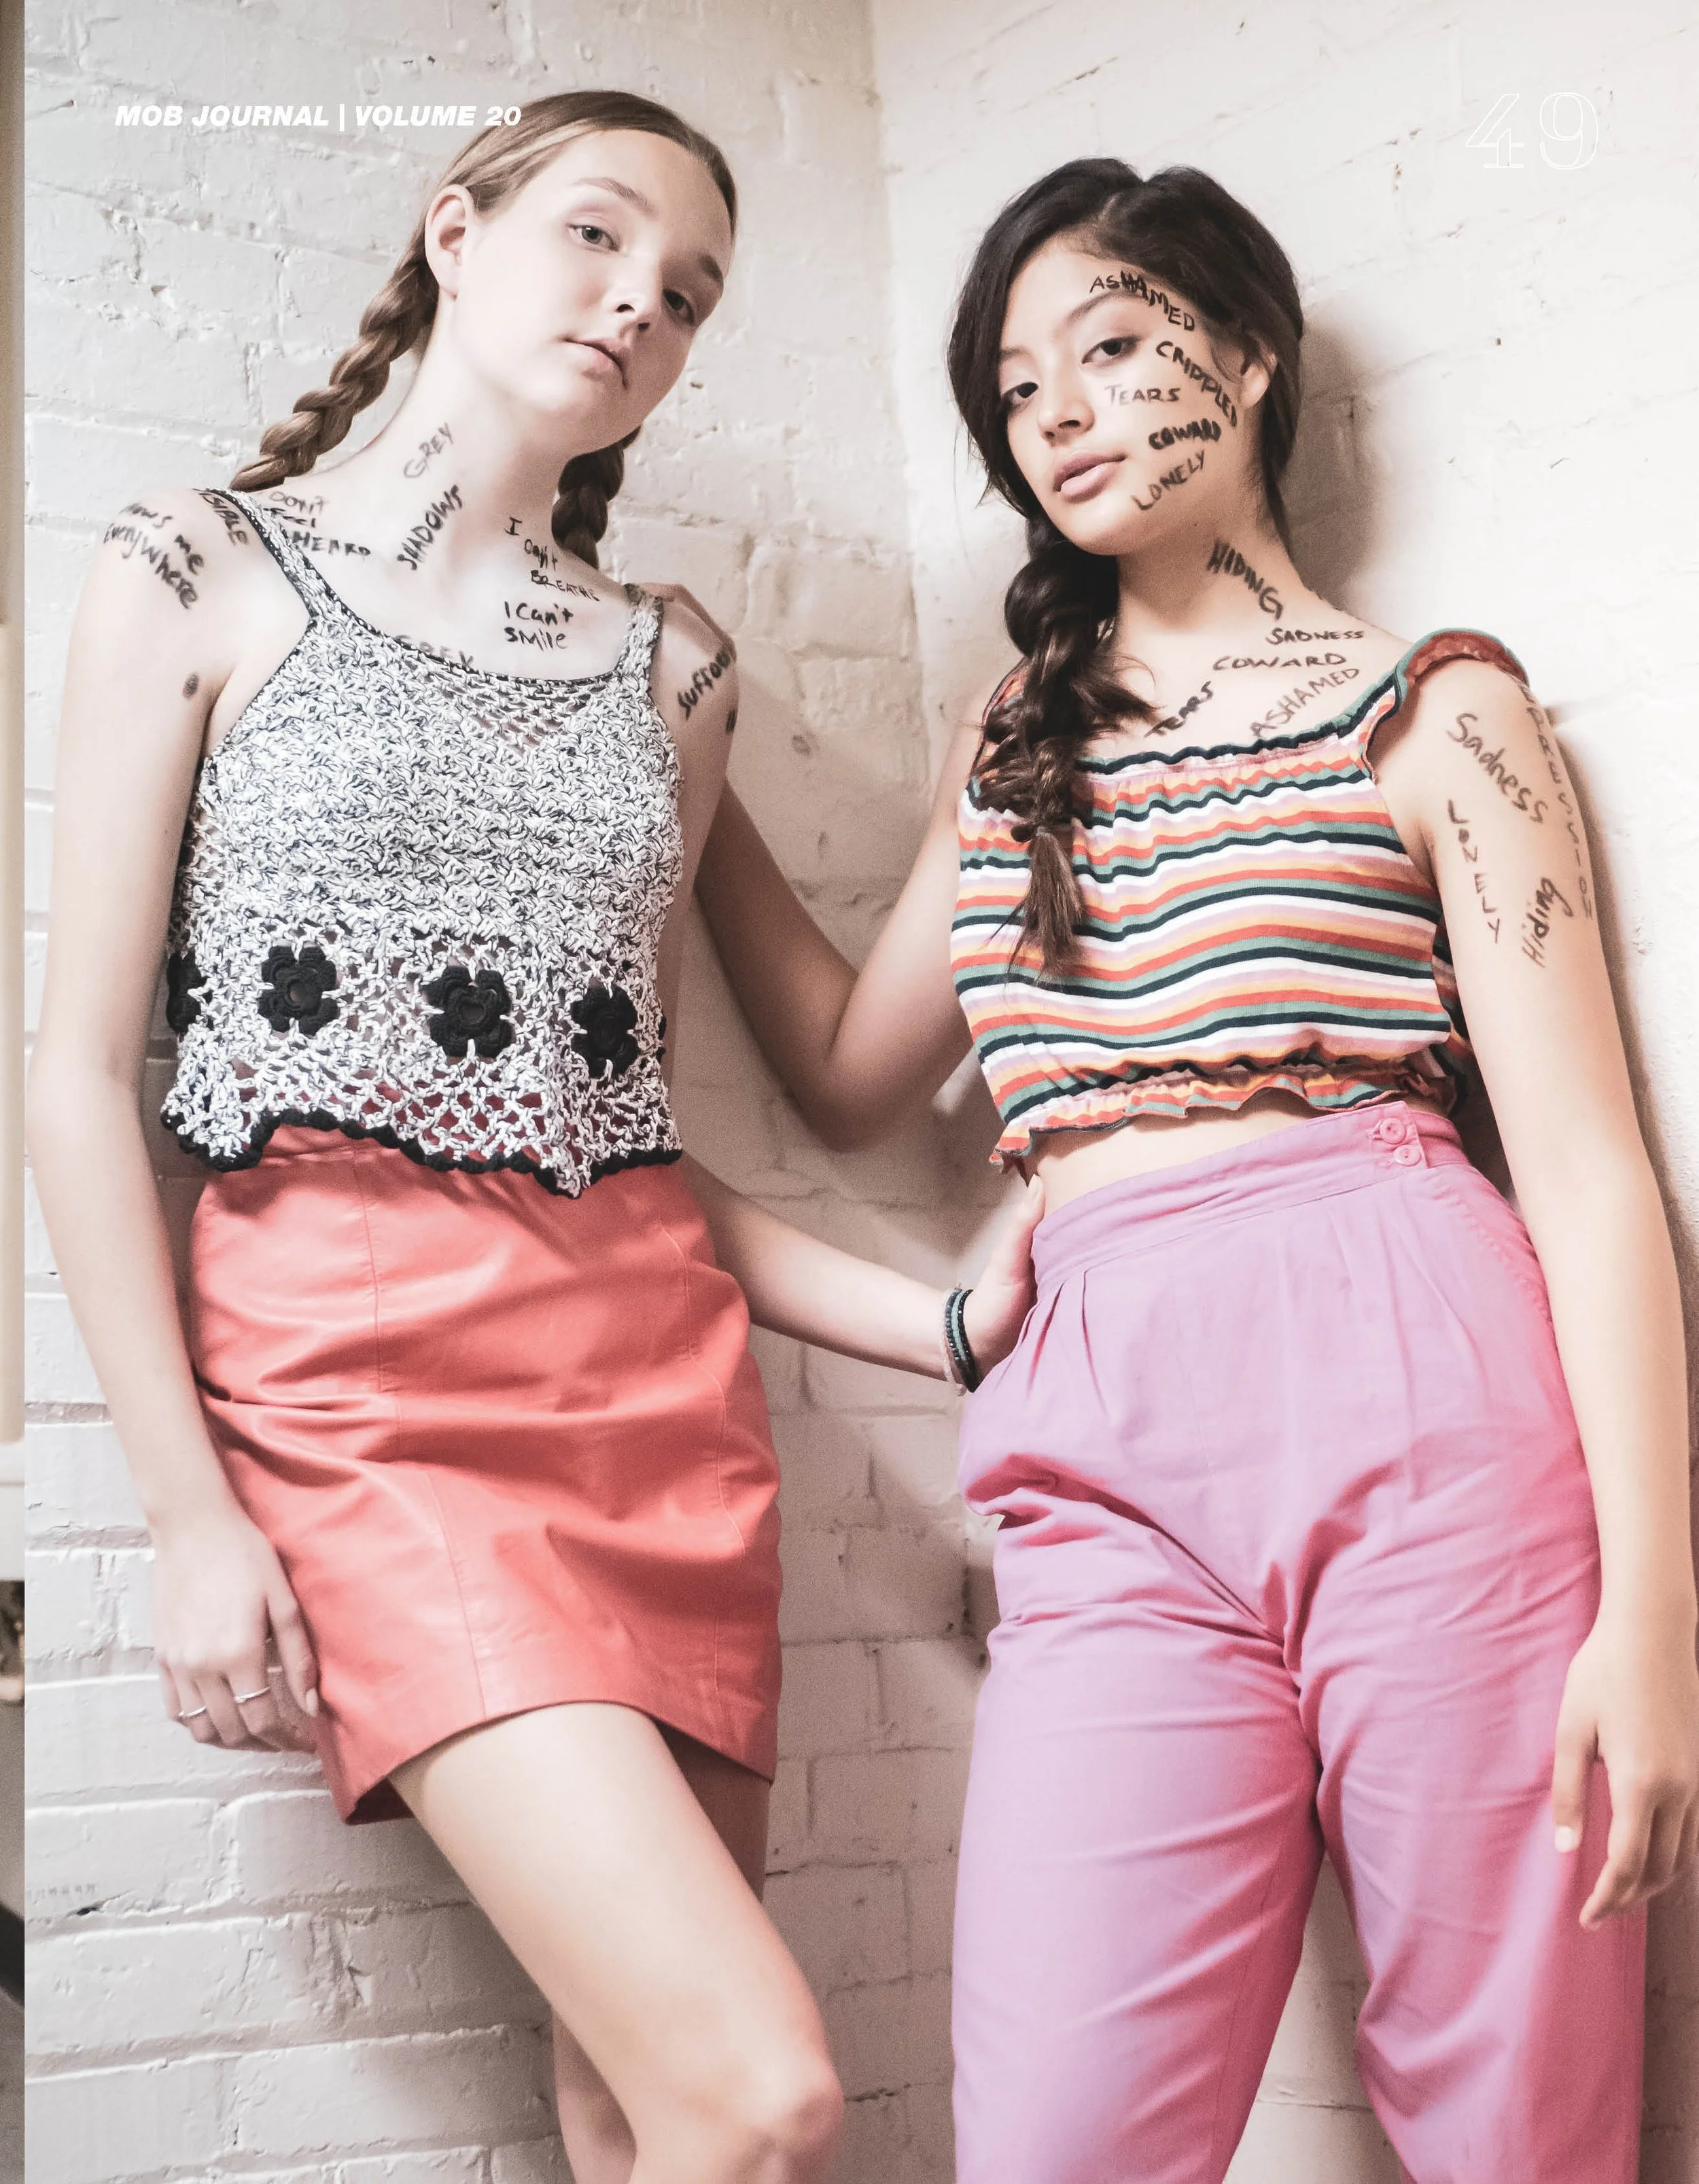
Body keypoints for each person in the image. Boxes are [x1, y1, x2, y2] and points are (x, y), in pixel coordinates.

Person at [26, 92, 1041, 2184]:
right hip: (364, 1401)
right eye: (593, 240)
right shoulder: (192, 570)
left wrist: (943, 1325)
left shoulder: (669, 669)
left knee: (635, 2107)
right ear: (455, 233)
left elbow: (633, 1138)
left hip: (658, 1411)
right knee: (762, 2095)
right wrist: (192, 1515)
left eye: (683, 297)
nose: (634, 307)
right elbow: (70, 1074)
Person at [693, 156, 1699, 2182]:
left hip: (1424, 1380)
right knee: (1062, 2131)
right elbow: (841, 1071)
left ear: (1242, 362)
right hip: (1102, 1435)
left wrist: (1656, 1618)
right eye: (1014, 385)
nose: (1056, 408)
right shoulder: (1013, 745)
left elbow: (1589, 1172)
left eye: (1111, 346)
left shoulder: (1433, 710)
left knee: (1513, 2122)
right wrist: (681, 755)